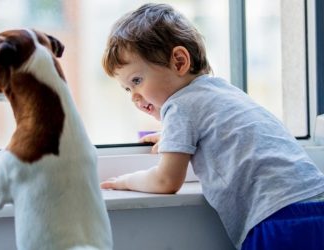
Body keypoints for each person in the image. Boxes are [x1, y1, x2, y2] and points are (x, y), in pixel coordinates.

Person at [100, 3, 324, 250]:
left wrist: (126, 181)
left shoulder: (179, 106)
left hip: (278, 219)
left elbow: (166, 181)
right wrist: (174, 138)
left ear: (179, 61)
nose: (134, 96)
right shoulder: (224, 92)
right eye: (127, 89)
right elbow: (228, 143)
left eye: (137, 80)